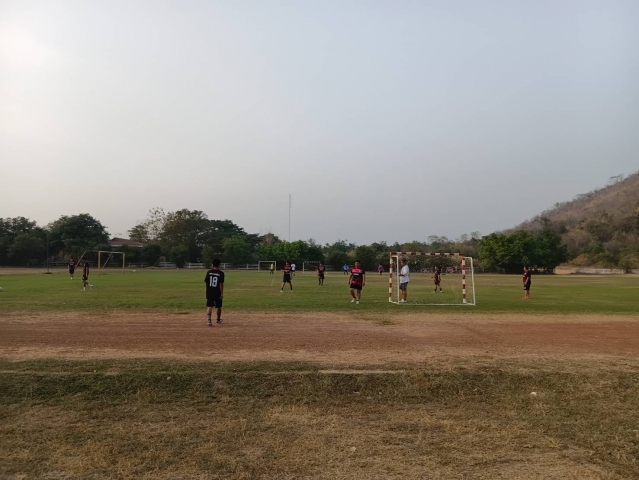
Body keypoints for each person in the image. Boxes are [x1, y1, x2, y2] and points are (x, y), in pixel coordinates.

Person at [205, 258, 225, 326]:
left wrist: (207, 290)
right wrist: (221, 293)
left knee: (209, 306)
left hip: (210, 291)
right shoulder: (221, 273)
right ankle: (218, 319)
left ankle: (209, 320)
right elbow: (221, 284)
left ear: (213, 264)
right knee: (219, 306)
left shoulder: (209, 272)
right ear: (219, 265)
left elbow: (207, 283)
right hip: (217, 292)